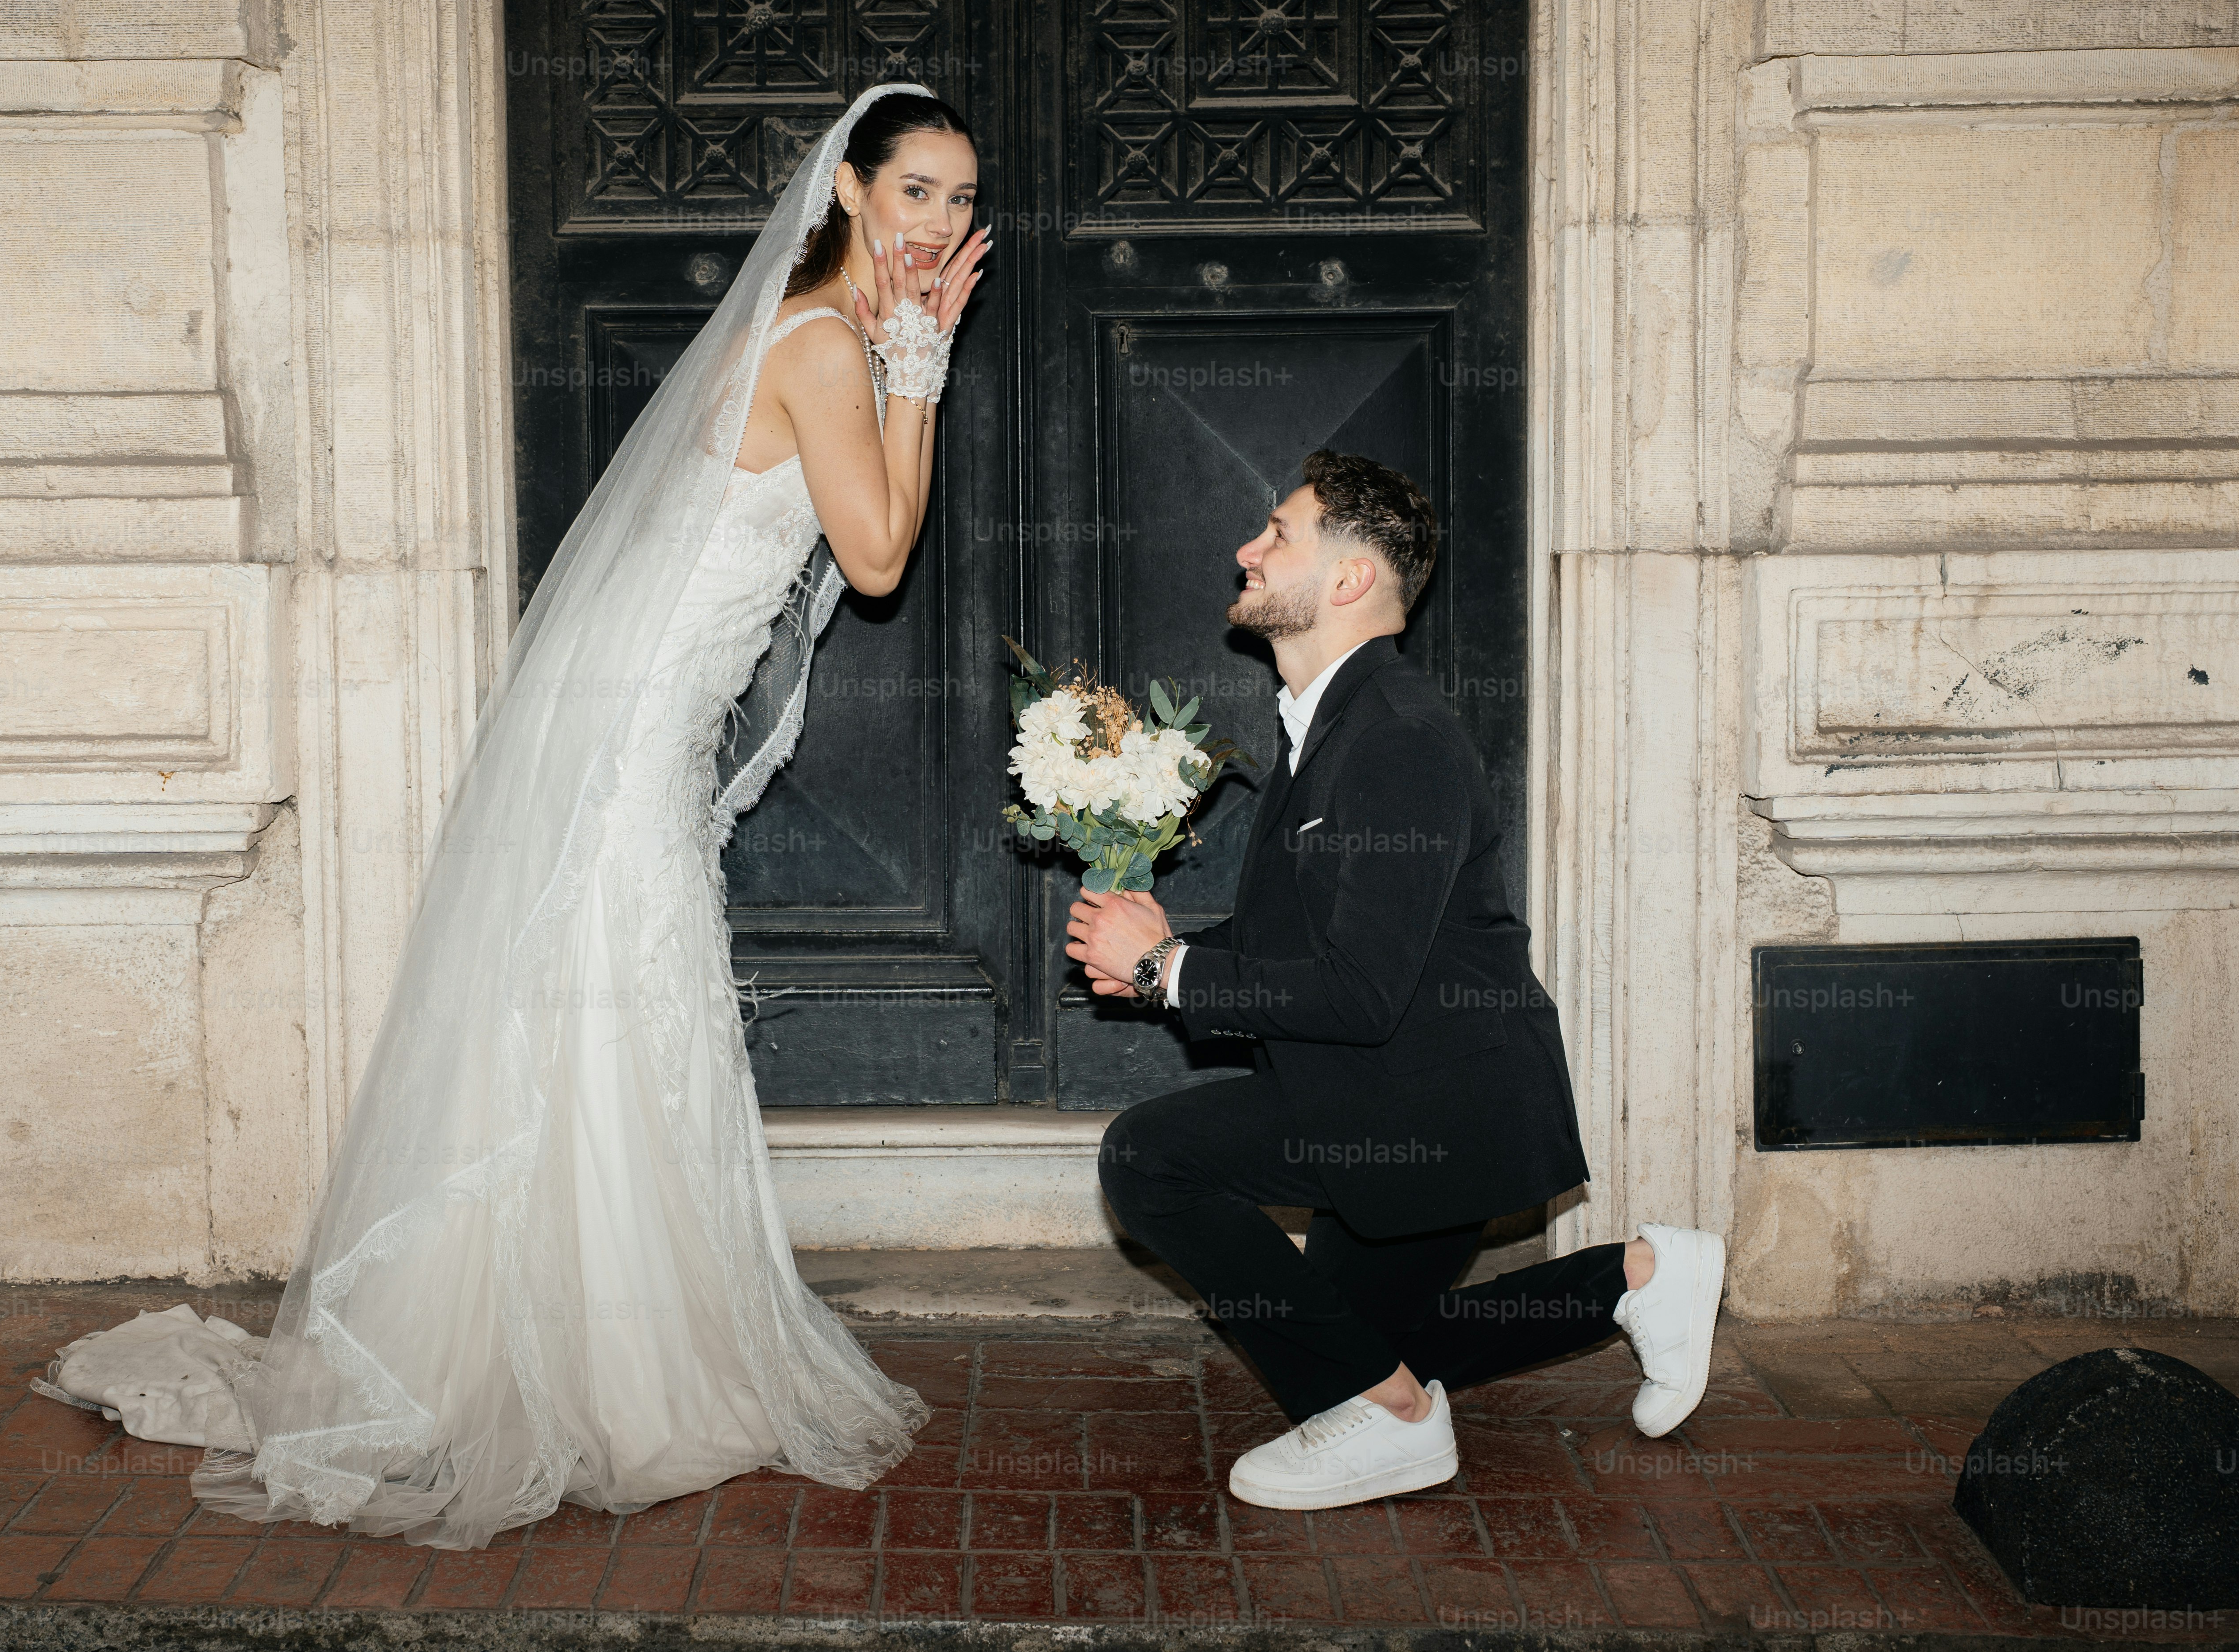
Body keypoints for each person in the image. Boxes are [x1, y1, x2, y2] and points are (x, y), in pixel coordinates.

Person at [141, 86, 988, 1548]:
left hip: (638, 714)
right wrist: (921, 363)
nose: (941, 223)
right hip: (632, 729)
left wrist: (913, 355)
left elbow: (877, 548)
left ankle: (612, 1347)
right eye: (916, 191)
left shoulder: (825, 332)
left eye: (963, 201)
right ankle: (608, 1379)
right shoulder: (822, 345)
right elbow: (877, 557)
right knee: (629, 992)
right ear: (850, 190)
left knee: (623, 995)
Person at [1065, 450, 1726, 1512]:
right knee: (1364, 1338)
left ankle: (1398, 1424)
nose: (1247, 548)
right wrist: (1154, 959)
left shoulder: (1398, 738)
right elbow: (1306, 933)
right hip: (1392, 1092)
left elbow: (1362, 991)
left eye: (1278, 532)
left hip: (1435, 1106)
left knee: (1150, 1157)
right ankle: (1640, 1277)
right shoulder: (1331, 721)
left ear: (1349, 577)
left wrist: (1169, 967)